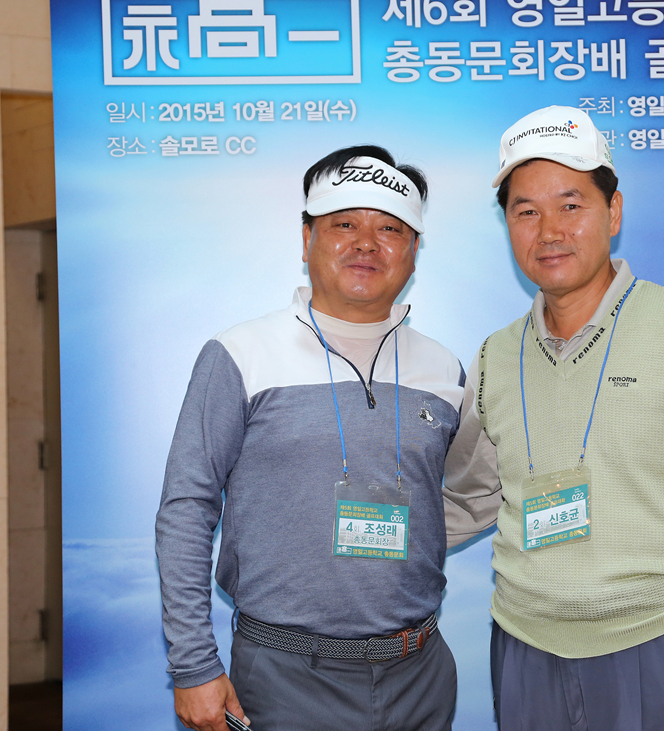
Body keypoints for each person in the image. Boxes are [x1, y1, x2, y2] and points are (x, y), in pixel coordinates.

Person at [443, 107, 664, 731]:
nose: (549, 231)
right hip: (525, 648)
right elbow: (469, 498)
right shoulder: (496, 356)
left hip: (659, 642)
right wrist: (348, 550)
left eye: (570, 205)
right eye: (527, 212)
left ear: (614, 211)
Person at [156, 145, 464, 731]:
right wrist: (193, 665)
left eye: (390, 229)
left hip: (420, 673)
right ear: (307, 239)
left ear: (413, 250)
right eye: (344, 224)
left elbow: (459, 495)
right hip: (285, 676)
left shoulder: (444, 370)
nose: (366, 243)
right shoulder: (241, 354)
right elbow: (186, 508)